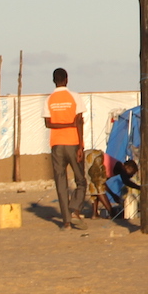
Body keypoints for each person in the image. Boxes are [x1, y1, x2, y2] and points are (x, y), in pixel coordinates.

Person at [44, 68, 86, 230]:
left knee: (61, 183)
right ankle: (74, 208)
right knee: (81, 180)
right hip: (73, 142)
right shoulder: (74, 97)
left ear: (54, 80)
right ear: (66, 79)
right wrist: (80, 145)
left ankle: (66, 222)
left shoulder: (49, 99)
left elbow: (48, 123)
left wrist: (62, 124)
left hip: (56, 144)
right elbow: (79, 122)